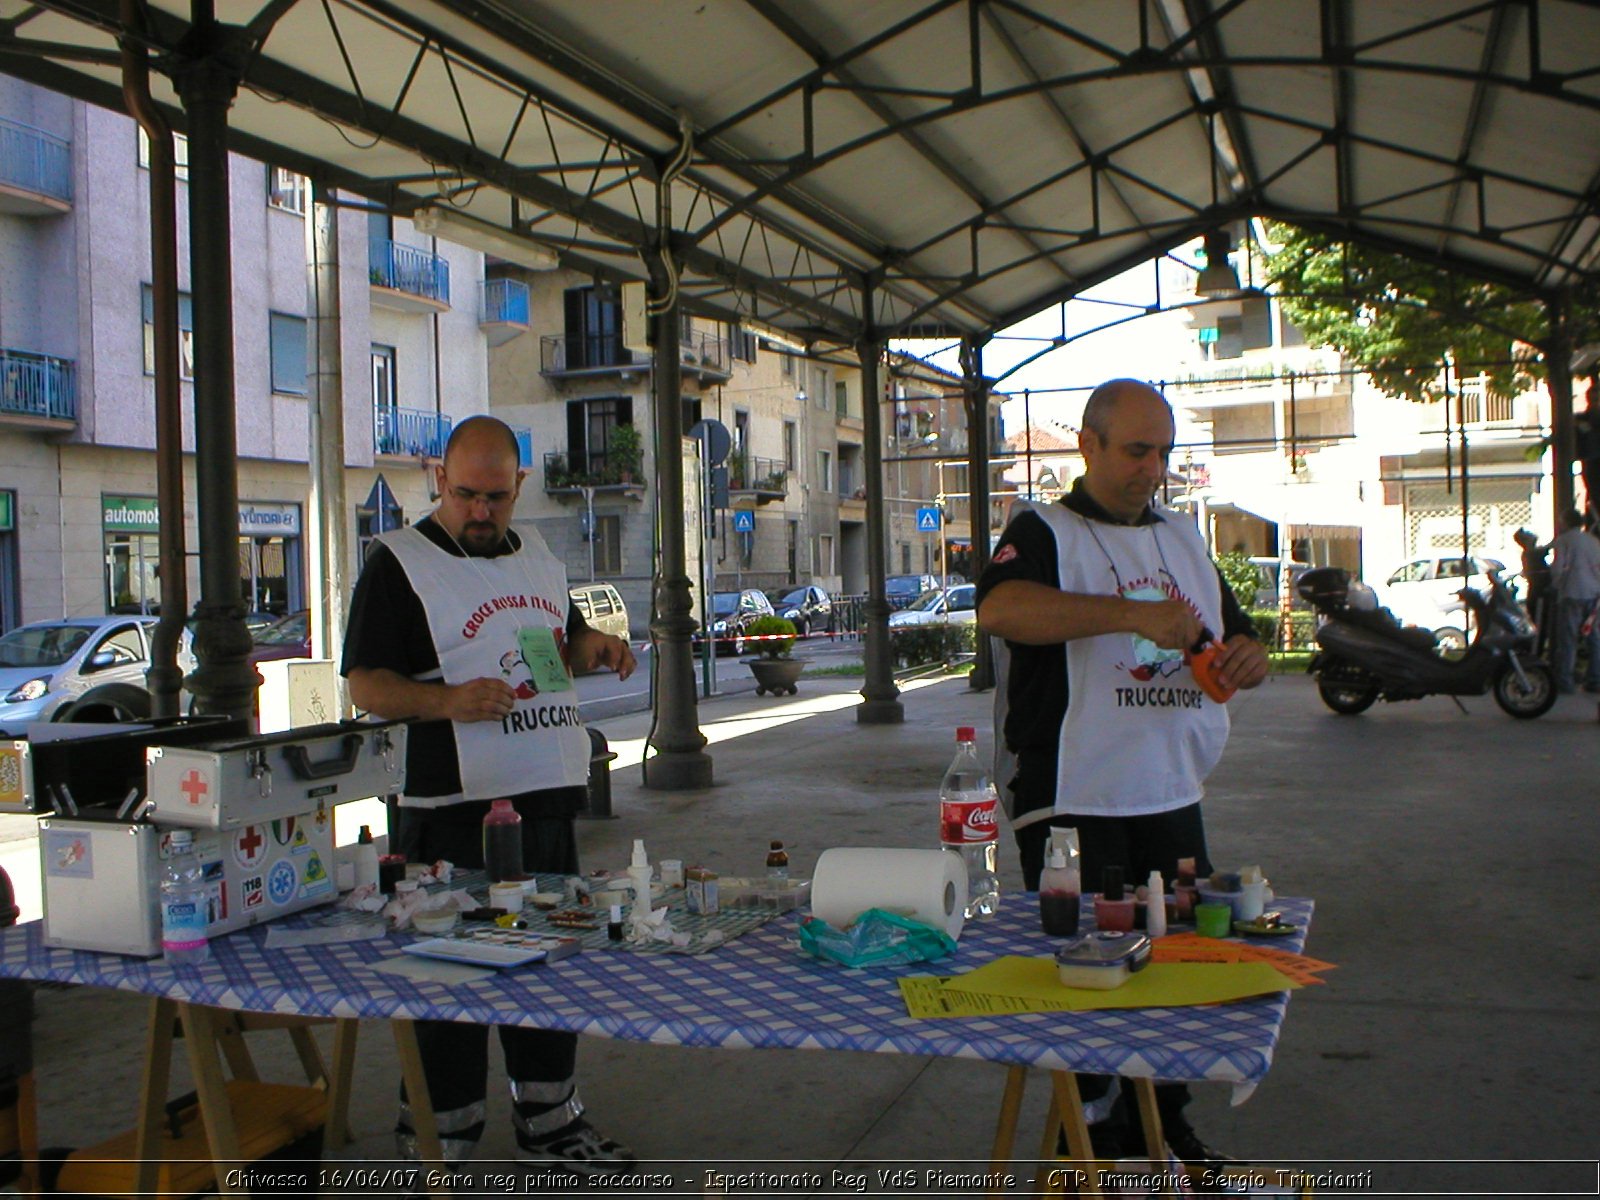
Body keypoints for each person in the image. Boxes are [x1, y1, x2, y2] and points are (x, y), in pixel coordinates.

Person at [976, 378, 1268, 1169]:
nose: (1153, 468)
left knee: (1174, 969)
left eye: (1165, 452)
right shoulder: (1043, 529)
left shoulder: (1182, 537)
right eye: (1137, 450)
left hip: (1172, 790)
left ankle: (1166, 1127)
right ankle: (1097, 1147)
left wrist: (1250, 656)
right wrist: (1131, 614)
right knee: (1091, 982)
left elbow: (1237, 639)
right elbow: (1002, 611)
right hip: (1074, 798)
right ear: (1089, 446)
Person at [342, 415, 637, 1170]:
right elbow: (364, 685)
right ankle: (438, 1148)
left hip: (541, 801)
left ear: (520, 488)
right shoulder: (397, 564)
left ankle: (551, 1125)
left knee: (545, 962)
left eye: (496, 497)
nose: (481, 512)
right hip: (446, 818)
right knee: (449, 980)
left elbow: (550, 642)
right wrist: (447, 703)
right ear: (439, 479)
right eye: (467, 494)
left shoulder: (536, 555)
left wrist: (593, 647)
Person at [1548, 507, 1600, 694]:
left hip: (1571, 593)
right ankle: (1595, 679)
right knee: (1594, 637)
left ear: (1566, 522)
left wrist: (1557, 585)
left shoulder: (1563, 541)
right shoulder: (1593, 541)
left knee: (1568, 639)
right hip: (1593, 594)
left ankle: (1565, 681)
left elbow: (1558, 568)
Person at [1512, 528, 1553, 653]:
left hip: (1538, 594)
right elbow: (1552, 545)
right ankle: (1536, 653)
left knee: (1543, 626)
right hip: (1538, 595)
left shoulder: (1532, 553)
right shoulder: (1531, 553)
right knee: (1541, 627)